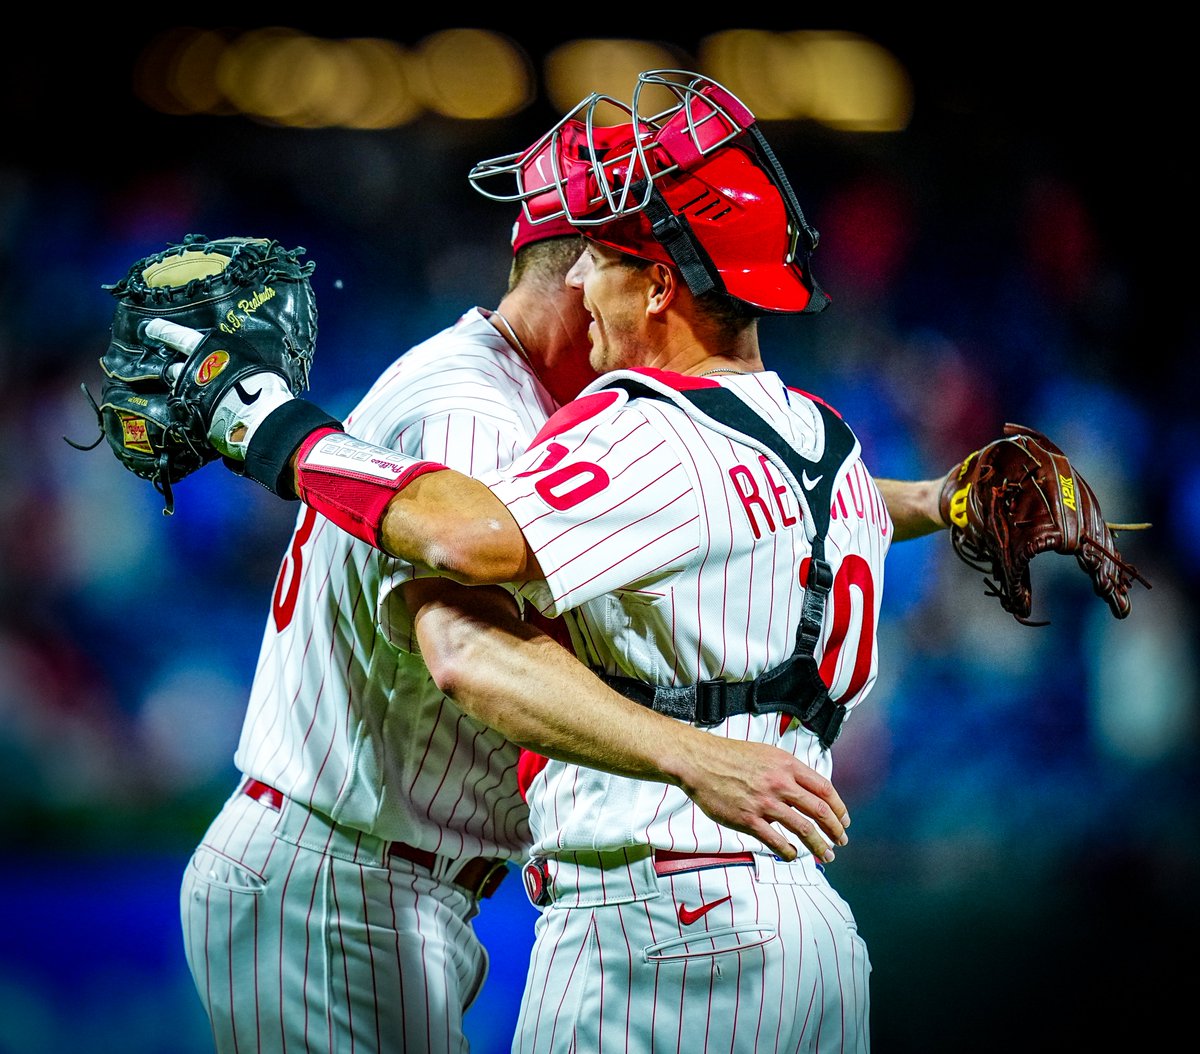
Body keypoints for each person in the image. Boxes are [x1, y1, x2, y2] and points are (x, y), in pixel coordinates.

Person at [163, 69, 941, 1052]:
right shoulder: (478, 409)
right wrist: (280, 432)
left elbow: (758, 501)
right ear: (594, 269)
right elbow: (466, 642)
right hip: (344, 873)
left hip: (428, 882)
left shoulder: (614, 423)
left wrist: (934, 501)